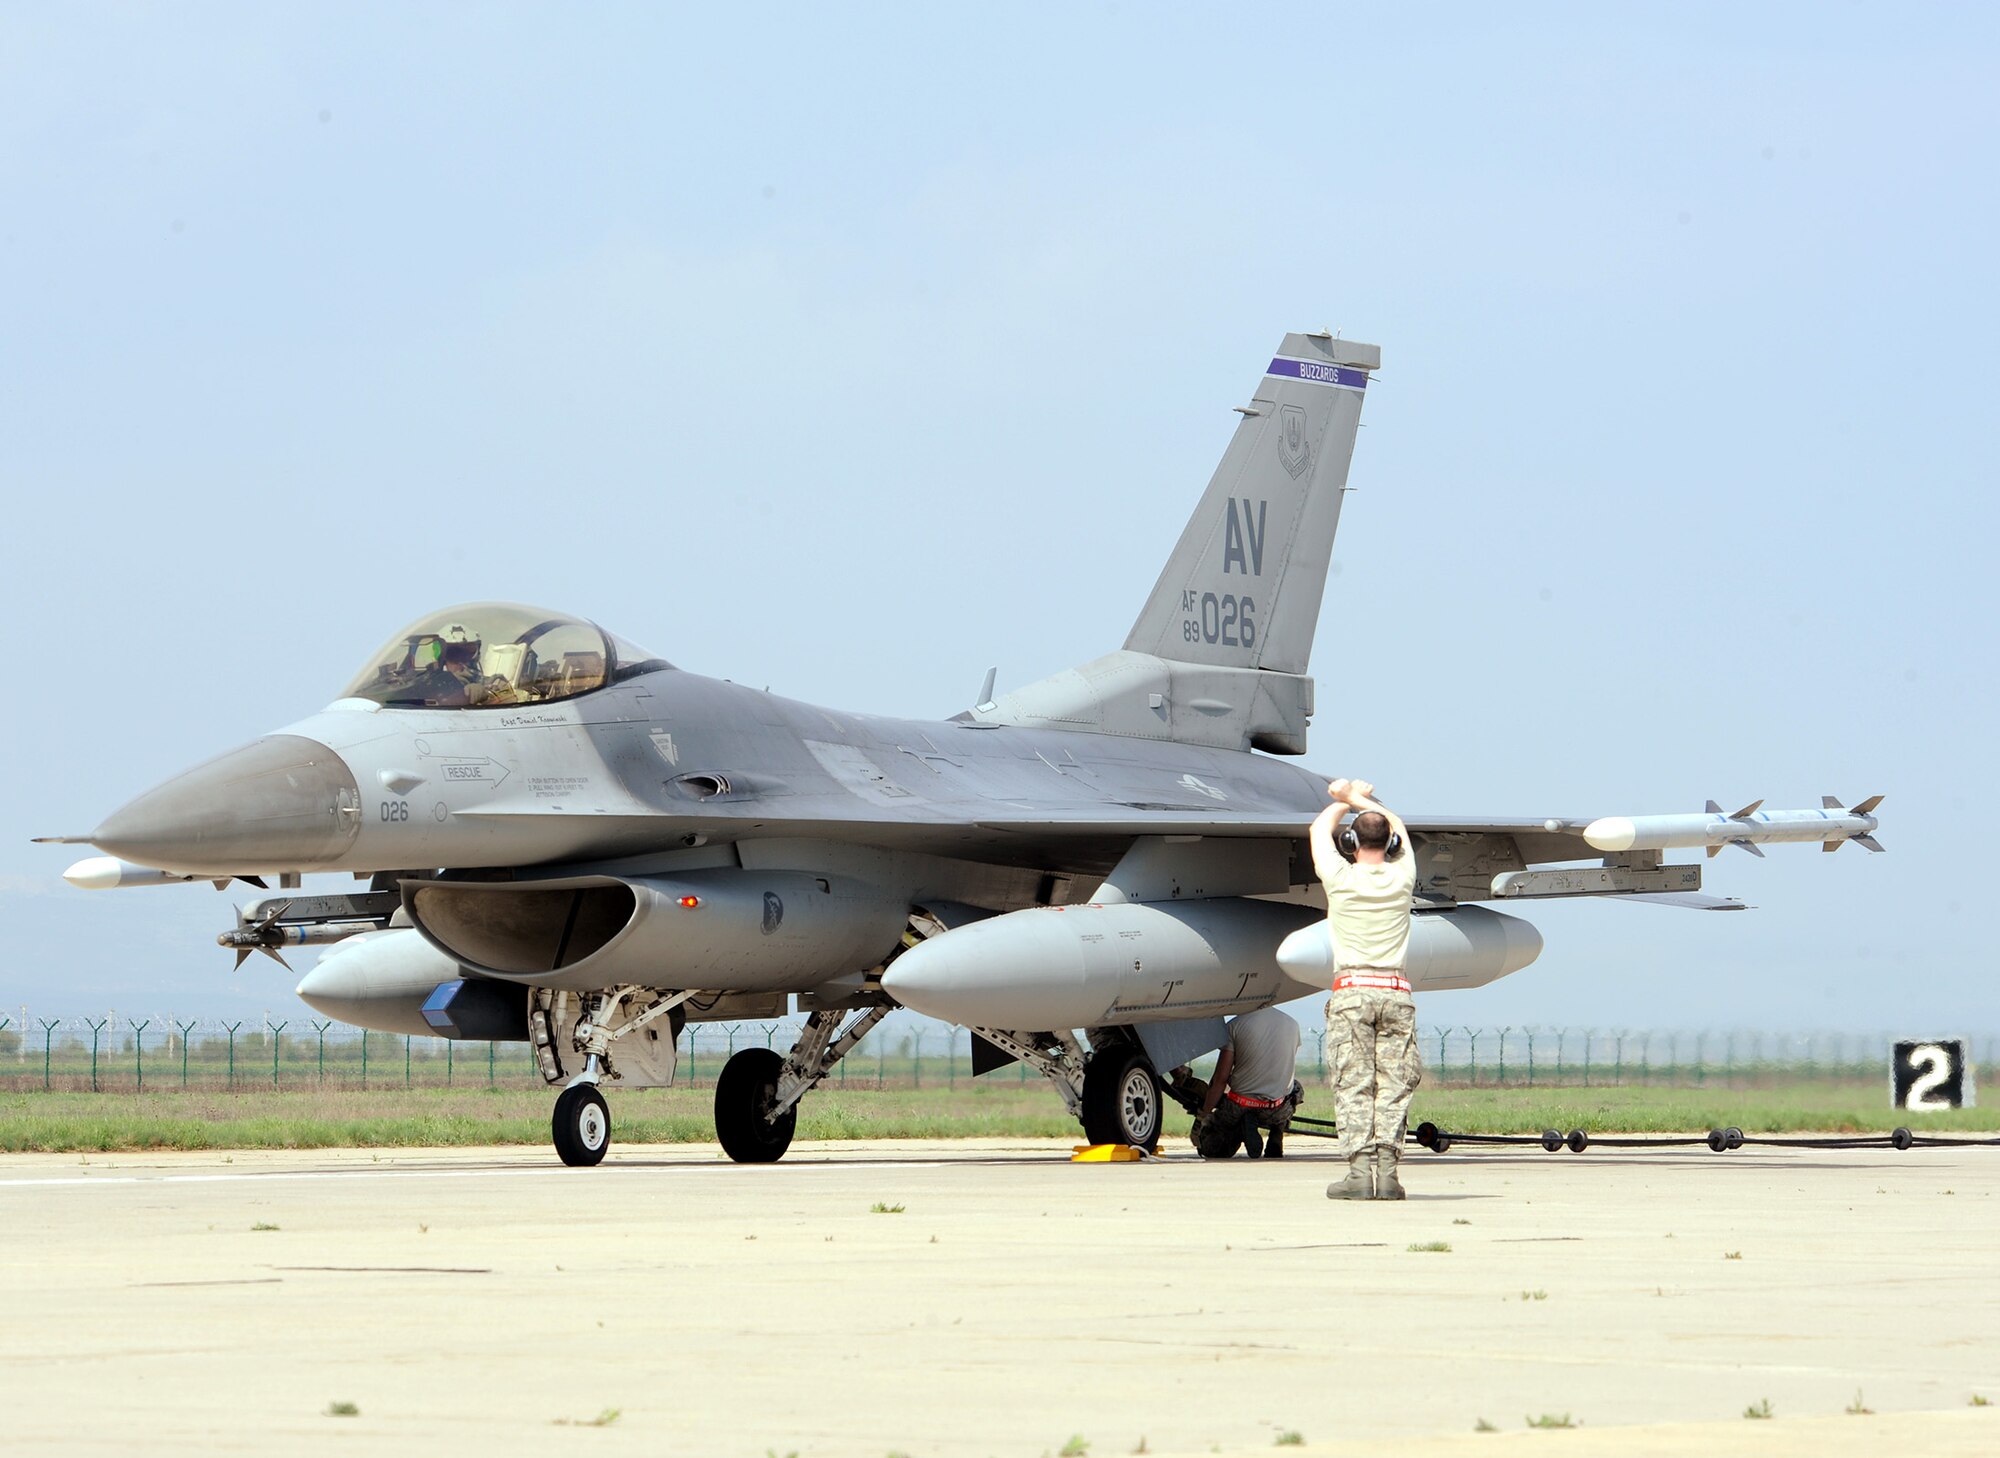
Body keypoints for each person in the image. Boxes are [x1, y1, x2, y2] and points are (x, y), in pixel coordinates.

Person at [1310, 777, 1422, 1201]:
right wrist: (1361, 799)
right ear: (1391, 843)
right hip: (1396, 992)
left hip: (1352, 991)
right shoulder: (1402, 876)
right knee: (1394, 1084)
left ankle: (1359, 1175)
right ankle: (1390, 1175)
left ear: (1352, 840)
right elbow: (1398, 825)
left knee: (1353, 1082)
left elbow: (1318, 831)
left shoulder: (1340, 878)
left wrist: (1339, 800)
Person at [1190, 1006, 1303, 1159]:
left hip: (1239, 1105)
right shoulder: (1293, 1025)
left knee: (1209, 1149)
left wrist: (1204, 1115)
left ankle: (1240, 1129)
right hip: (1276, 1109)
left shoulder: (1234, 1026)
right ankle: (1277, 1133)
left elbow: (1220, 1079)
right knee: (1296, 1089)